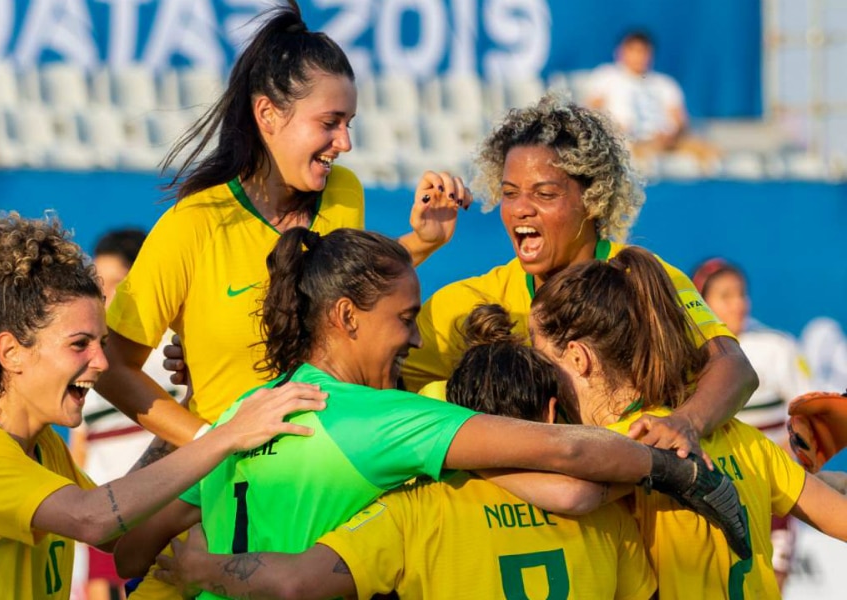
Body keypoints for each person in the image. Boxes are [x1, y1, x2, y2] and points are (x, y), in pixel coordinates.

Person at [114, 227, 748, 600]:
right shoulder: (387, 420)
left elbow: (133, 549)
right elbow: (568, 461)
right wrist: (680, 474)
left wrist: (202, 570)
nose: (417, 341)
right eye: (406, 319)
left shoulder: (249, 411)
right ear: (345, 318)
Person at [94, 0, 469, 448]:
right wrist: (215, 441)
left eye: (349, 124)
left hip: (340, 465)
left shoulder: (345, 192)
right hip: (235, 496)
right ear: (268, 114)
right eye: (330, 123)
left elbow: (346, 288)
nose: (345, 143)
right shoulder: (192, 223)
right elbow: (112, 366)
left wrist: (425, 242)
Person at [0, 211, 327, 599]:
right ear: (11, 352)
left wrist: (195, 402)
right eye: (80, 344)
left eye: (101, 344)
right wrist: (227, 436)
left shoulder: (45, 449)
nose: (102, 362)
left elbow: (121, 535)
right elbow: (94, 520)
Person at [149, 303, 657, 600]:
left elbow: (296, 582)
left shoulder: (414, 509)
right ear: (551, 414)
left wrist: (204, 569)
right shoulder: (607, 513)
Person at [401, 93, 758, 459]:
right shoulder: (469, 301)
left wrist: (687, 422)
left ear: (593, 198)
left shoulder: (643, 277)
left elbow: (734, 368)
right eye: (509, 194)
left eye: (544, 193)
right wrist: (417, 245)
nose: (521, 208)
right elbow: (368, 381)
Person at [529, 245, 847, 600]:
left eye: (542, 359)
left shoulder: (618, 450)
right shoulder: (744, 439)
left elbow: (571, 494)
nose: (540, 377)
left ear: (578, 357)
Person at [67, 227, 186, 600]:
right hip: (105, 509)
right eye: (99, 285)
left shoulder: (172, 346)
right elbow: (81, 443)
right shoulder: (91, 353)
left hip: (165, 504)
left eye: (118, 283)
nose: (107, 296)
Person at [692, 256, 815, 590]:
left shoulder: (776, 347)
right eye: (726, 295)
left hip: (773, 487)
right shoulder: (686, 355)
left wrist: (785, 449)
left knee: (773, 579)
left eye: (742, 293)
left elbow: (812, 416)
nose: (739, 304)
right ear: (701, 301)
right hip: (715, 489)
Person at [585, 30, 720, 169]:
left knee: (709, 153)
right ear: (620, 52)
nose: (639, 56)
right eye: (633, 51)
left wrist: (670, 135)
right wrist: (613, 128)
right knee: (634, 155)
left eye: (643, 52)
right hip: (626, 141)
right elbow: (591, 111)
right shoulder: (606, 76)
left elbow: (680, 119)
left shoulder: (665, 83)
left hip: (665, 141)